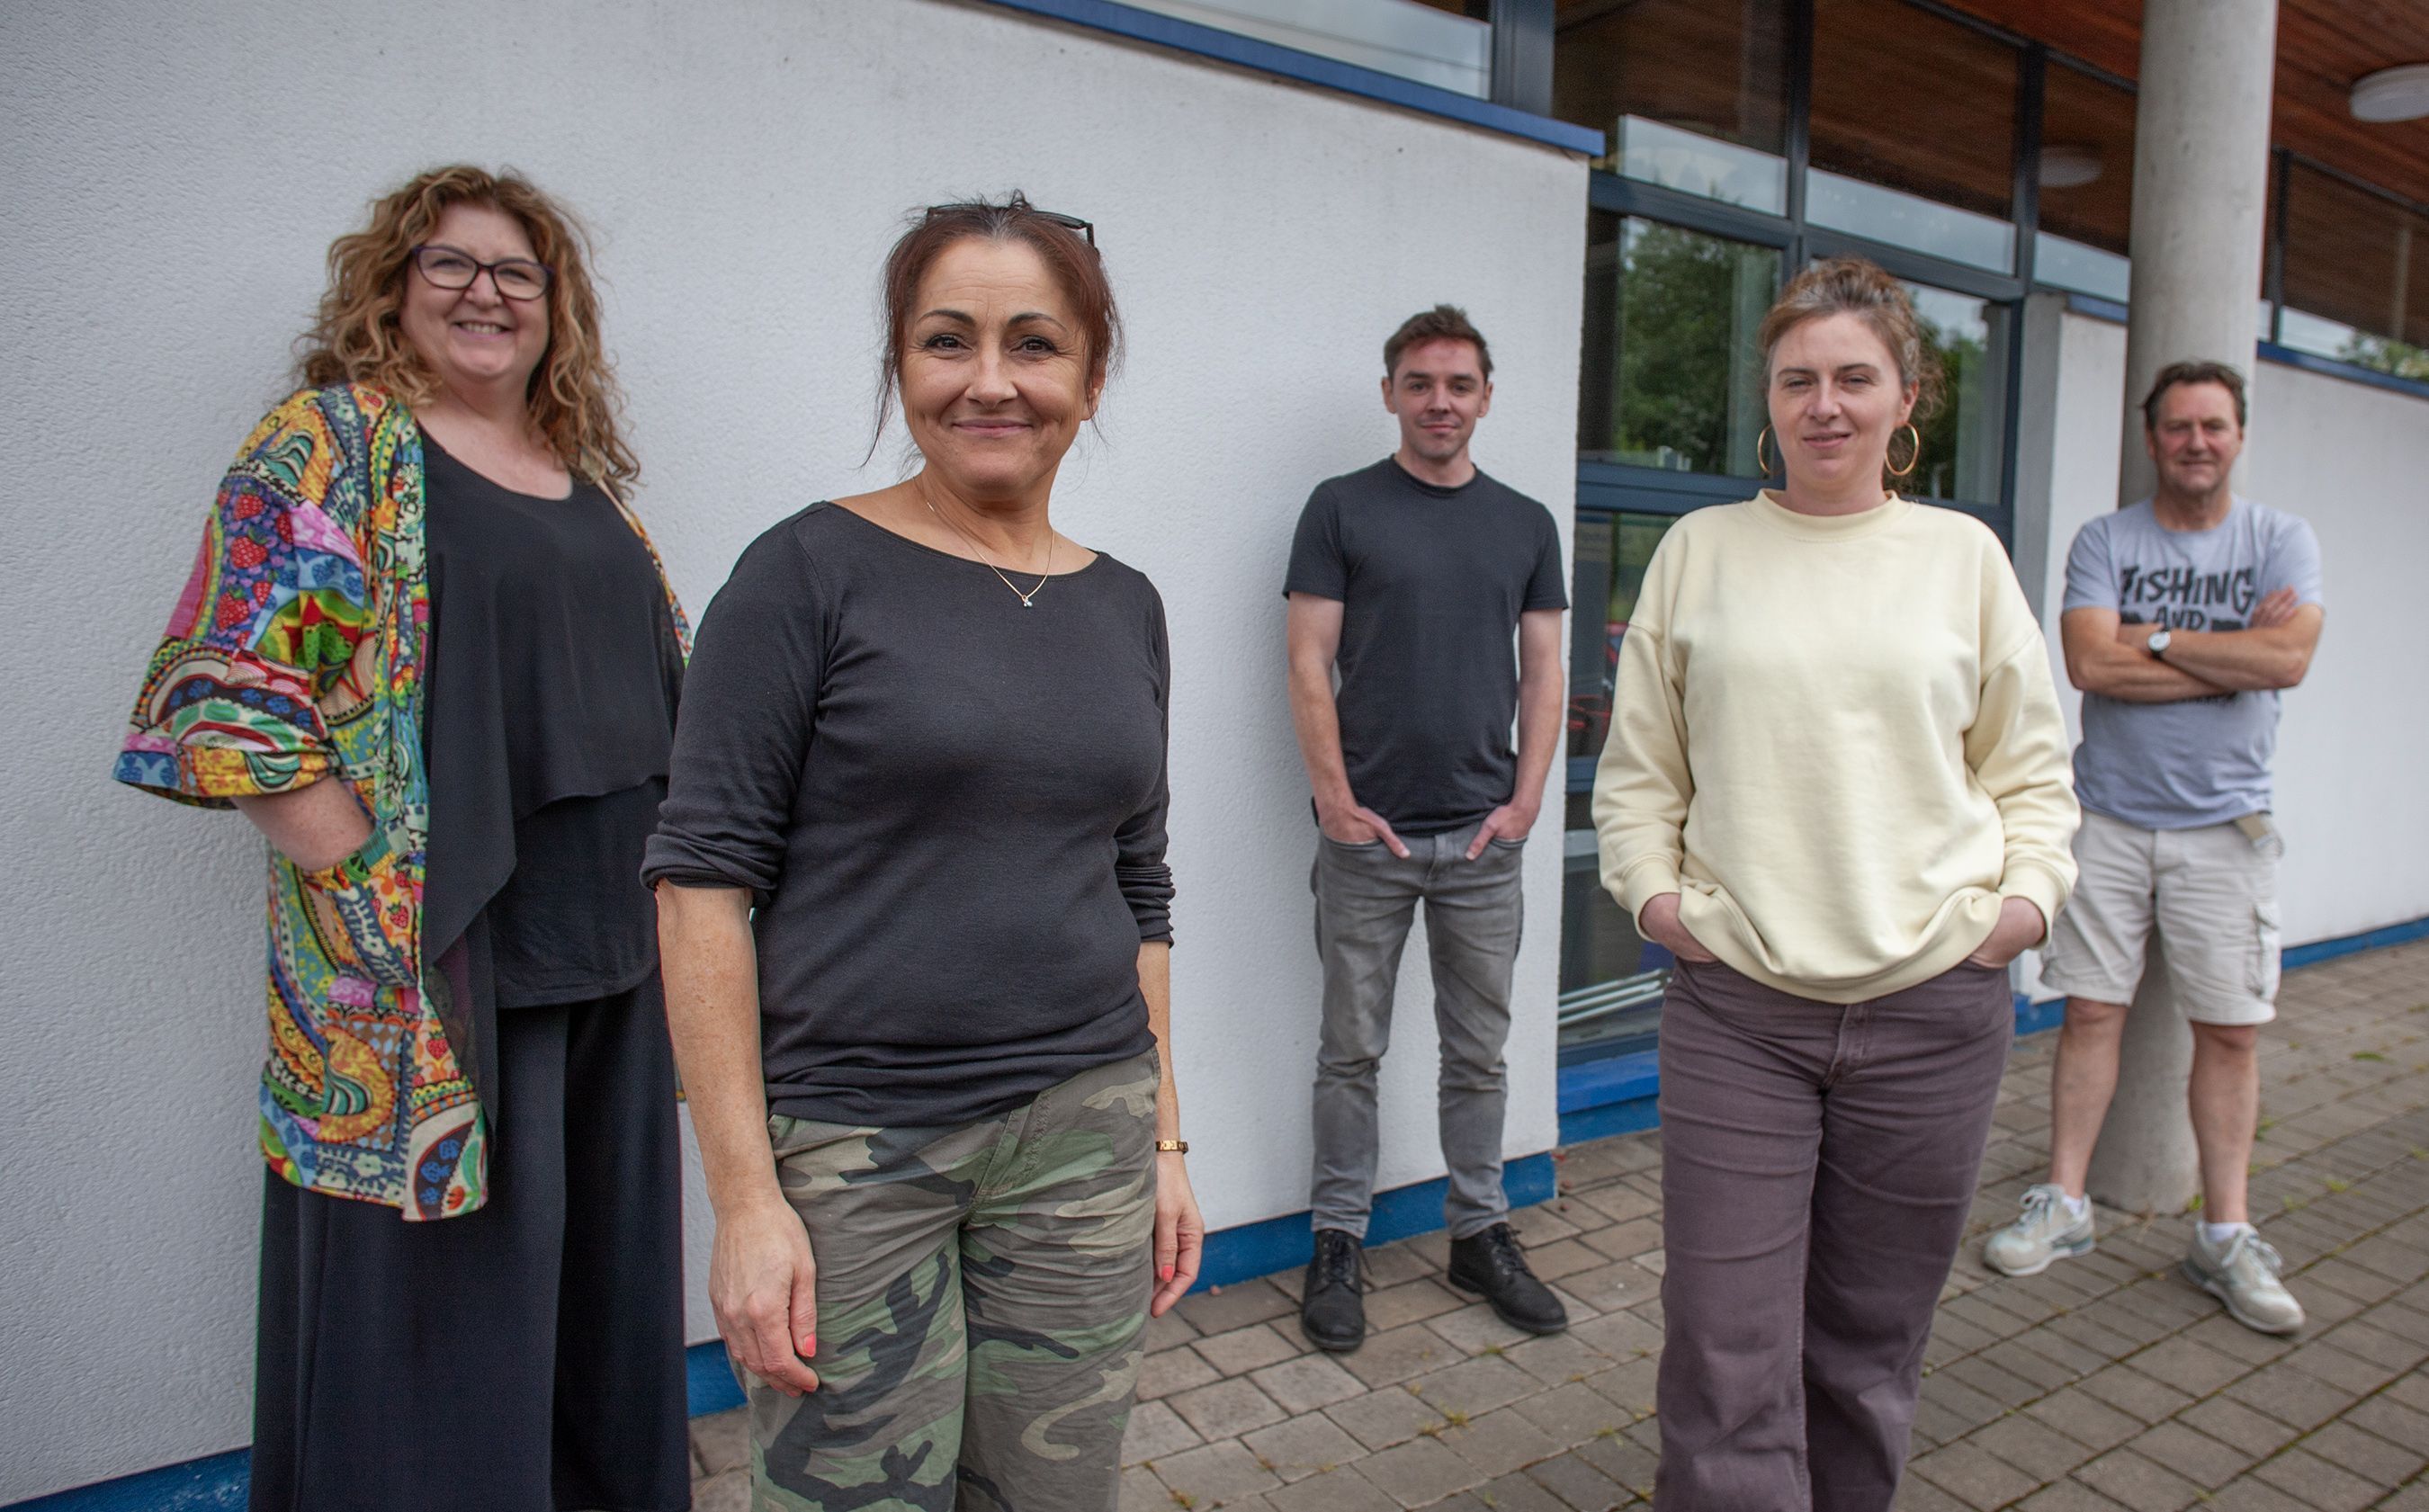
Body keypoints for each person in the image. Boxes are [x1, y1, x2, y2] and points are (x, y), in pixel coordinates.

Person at [112, 165, 692, 1512]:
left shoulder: (579, 476)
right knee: (441, 1313)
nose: (486, 292)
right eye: (451, 264)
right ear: (392, 287)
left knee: (598, 1283)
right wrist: (359, 879)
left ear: (558, 310)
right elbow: (226, 689)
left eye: (517, 272)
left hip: (620, 946)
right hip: (444, 959)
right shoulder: (332, 444)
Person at [645, 193, 1203, 1512]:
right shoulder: (802, 574)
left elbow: (1141, 885)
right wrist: (742, 1202)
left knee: (1050, 1495)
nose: (992, 381)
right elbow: (699, 891)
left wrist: (1168, 1143)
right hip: (855, 1147)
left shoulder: (1125, 602)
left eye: (1035, 344)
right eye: (950, 341)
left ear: (1091, 374)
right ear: (902, 366)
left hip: (1086, 1128)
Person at [1592, 257, 2080, 1510]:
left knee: (1867, 1352)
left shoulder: (1961, 558)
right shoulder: (1702, 552)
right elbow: (1640, 773)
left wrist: (2019, 910)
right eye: (1797, 378)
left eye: (1854, 377)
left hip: (1934, 1012)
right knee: (1721, 1346)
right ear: (1768, 396)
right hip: (1739, 1011)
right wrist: (1661, 903)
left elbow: (2033, 775)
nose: (1825, 404)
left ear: (1906, 396)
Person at [1984, 361, 2325, 1335]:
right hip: (2113, 821)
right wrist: (2226, 662)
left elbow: (2289, 658)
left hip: (2228, 829)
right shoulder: (2107, 539)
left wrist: (2160, 640)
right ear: (2153, 438)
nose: (2196, 442)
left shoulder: (2279, 539)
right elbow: (2090, 662)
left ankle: (2224, 1233)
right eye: (2178, 427)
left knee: (2230, 1030)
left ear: (2238, 435)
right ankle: (2066, 1204)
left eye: (2213, 425)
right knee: (2091, 1011)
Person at [1285, 305, 1570, 1354]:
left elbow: (1543, 675)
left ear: (1486, 395)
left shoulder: (1525, 522)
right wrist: (1333, 800)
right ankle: (1336, 1239)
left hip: (1483, 846)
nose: (1439, 400)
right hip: (1372, 842)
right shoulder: (1342, 508)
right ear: (1391, 393)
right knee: (1349, 1051)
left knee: (1478, 1055)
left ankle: (1479, 1232)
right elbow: (1308, 658)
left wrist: (1527, 800)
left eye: (1458, 383)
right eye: (1419, 382)